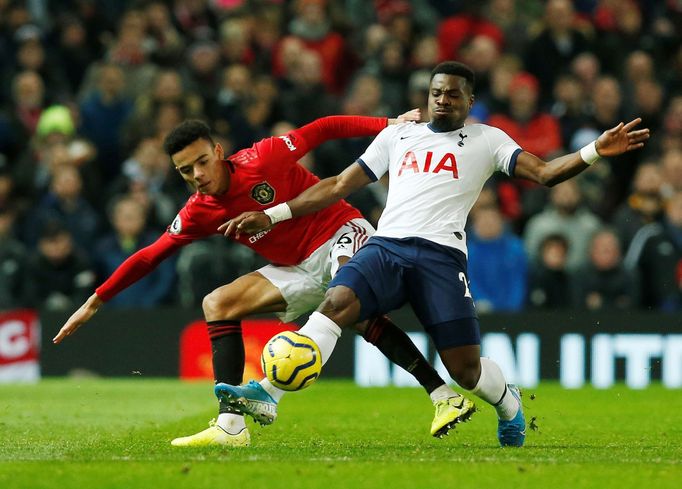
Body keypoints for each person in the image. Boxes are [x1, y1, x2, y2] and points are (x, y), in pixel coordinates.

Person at [218, 61, 649, 447]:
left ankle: (507, 402)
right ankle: (268, 390)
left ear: (470, 101)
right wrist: (273, 216)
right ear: (428, 96)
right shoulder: (398, 135)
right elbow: (335, 186)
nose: (443, 100)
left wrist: (594, 151)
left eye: (453, 94)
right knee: (336, 302)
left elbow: (546, 173)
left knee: (467, 372)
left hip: (441, 258)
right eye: (436, 92)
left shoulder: (487, 139)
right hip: (386, 247)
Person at [52, 110, 467, 447]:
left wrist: (389, 124)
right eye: (184, 171)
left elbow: (322, 128)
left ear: (218, 152)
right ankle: (231, 426)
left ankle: (442, 394)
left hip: (340, 231)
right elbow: (150, 255)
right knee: (217, 303)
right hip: (295, 266)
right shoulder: (200, 210)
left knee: (351, 310)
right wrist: (95, 302)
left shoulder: (263, 157)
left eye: (201, 161)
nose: (197, 174)